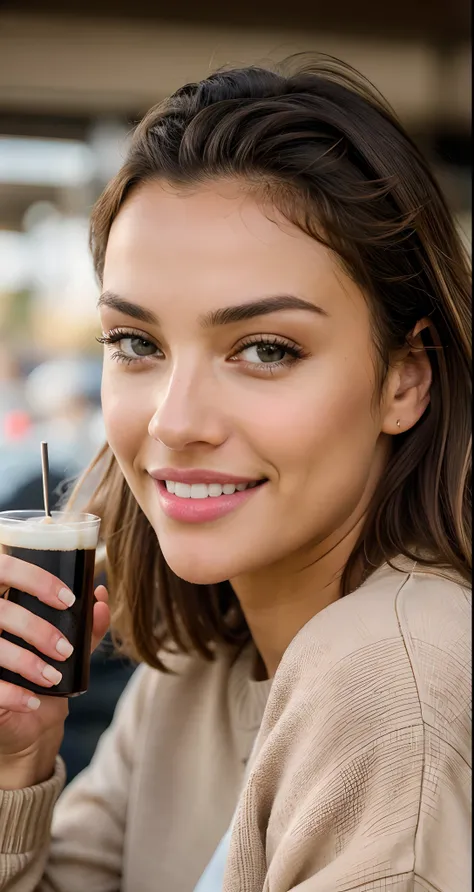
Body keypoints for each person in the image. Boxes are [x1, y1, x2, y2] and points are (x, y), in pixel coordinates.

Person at [0, 55, 471, 892]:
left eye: (265, 350)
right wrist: (17, 764)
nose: (175, 422)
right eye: (136, 344)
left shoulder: (397, 685)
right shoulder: (196, 672)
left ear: (406, 378)